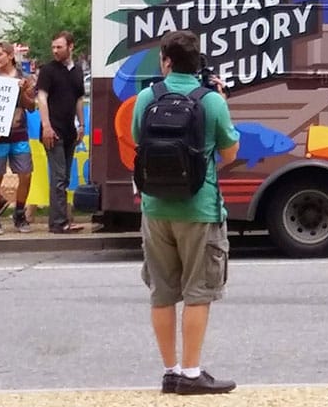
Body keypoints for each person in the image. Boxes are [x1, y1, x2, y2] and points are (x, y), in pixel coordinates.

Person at [132, 29, 240, 395]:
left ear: (165, 61)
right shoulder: (211, 101)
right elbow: (229, 153)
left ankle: (170, 371)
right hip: (199, 208)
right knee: (198, 291)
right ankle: (192, 373)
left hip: (154, 208)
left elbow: (137, 142)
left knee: (162, 292)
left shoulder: (146, 97)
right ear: (198, 64)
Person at [0, 41, 36, 235]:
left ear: (10, 55)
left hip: (19, 133)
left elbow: (31, 106)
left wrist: (22, 92)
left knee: (26, 174)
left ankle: (20, 213)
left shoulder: (25, 78)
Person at [36, 30, 85, 233]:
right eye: (54, 47)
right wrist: (46, 126)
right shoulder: (48, 70)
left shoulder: (77, 71)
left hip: (69, 130)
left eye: (60, 47)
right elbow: (42, 98)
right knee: (58, 176)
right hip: (53, 130)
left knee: (64, 177)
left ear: (70, 47)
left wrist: (81, 124)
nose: (55, 51)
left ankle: (63, 218)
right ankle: (58, 222)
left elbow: (79, 99)